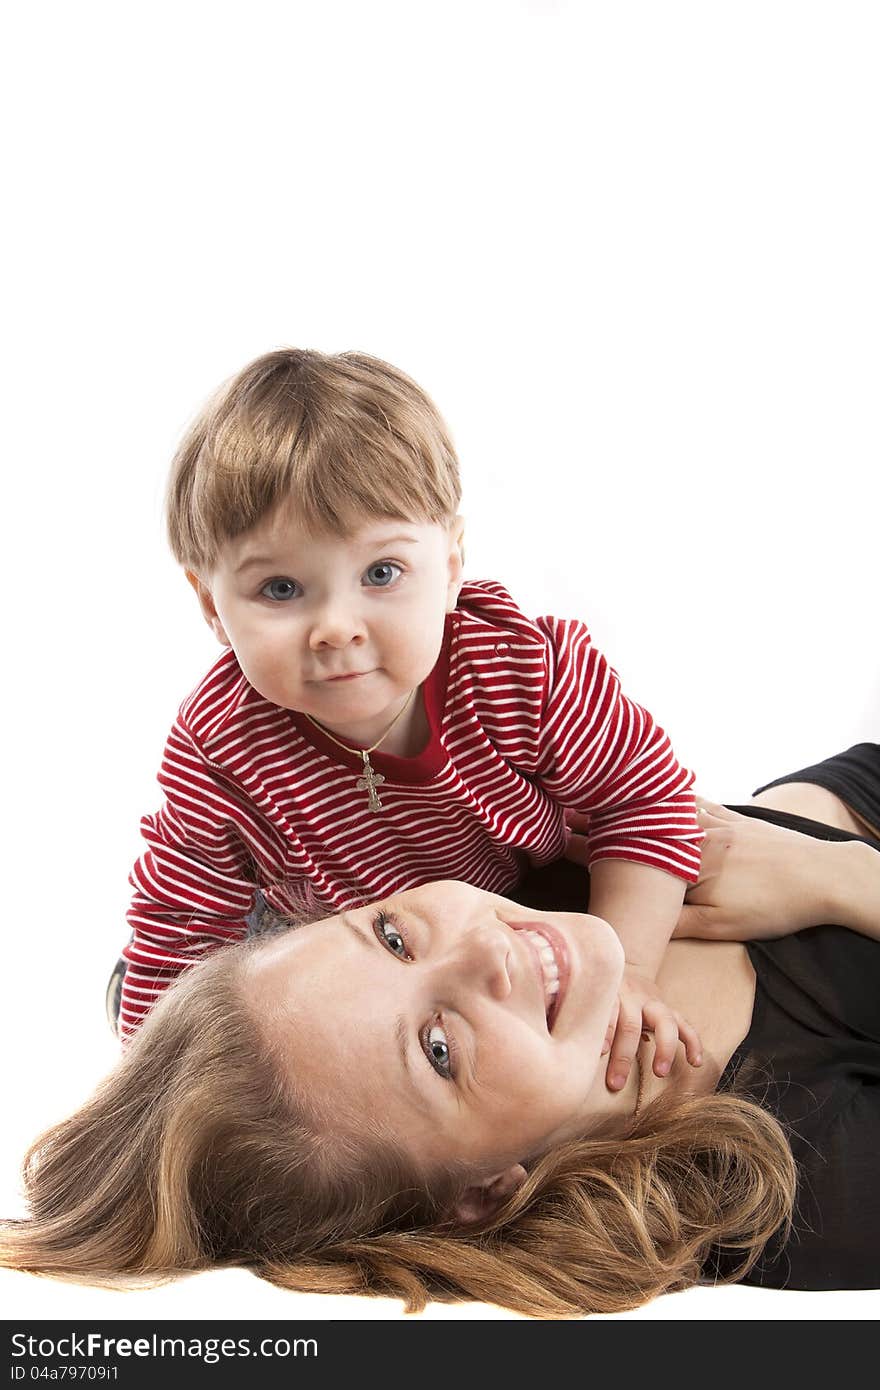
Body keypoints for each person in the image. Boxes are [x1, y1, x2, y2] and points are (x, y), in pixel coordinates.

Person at [4, 746, 878, 1318]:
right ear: (486, 1192)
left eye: (390, 935)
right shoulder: (798, 1191)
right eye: (438, 1050)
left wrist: (795, 826)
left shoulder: (540, 879)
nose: (485, 951)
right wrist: (838, 877)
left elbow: (849, 787)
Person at [118, 347, 703, 1106]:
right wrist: (151, 1094)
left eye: (382, 574)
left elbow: (647, 798)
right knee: (240, 1013)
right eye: (281, 588)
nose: (336, 627)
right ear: (210, 607)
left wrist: (626, 968)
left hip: (519, 895)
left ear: (452, 563)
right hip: (328, 928)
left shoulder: (517, 666)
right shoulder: (219, 744)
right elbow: (180, 919)